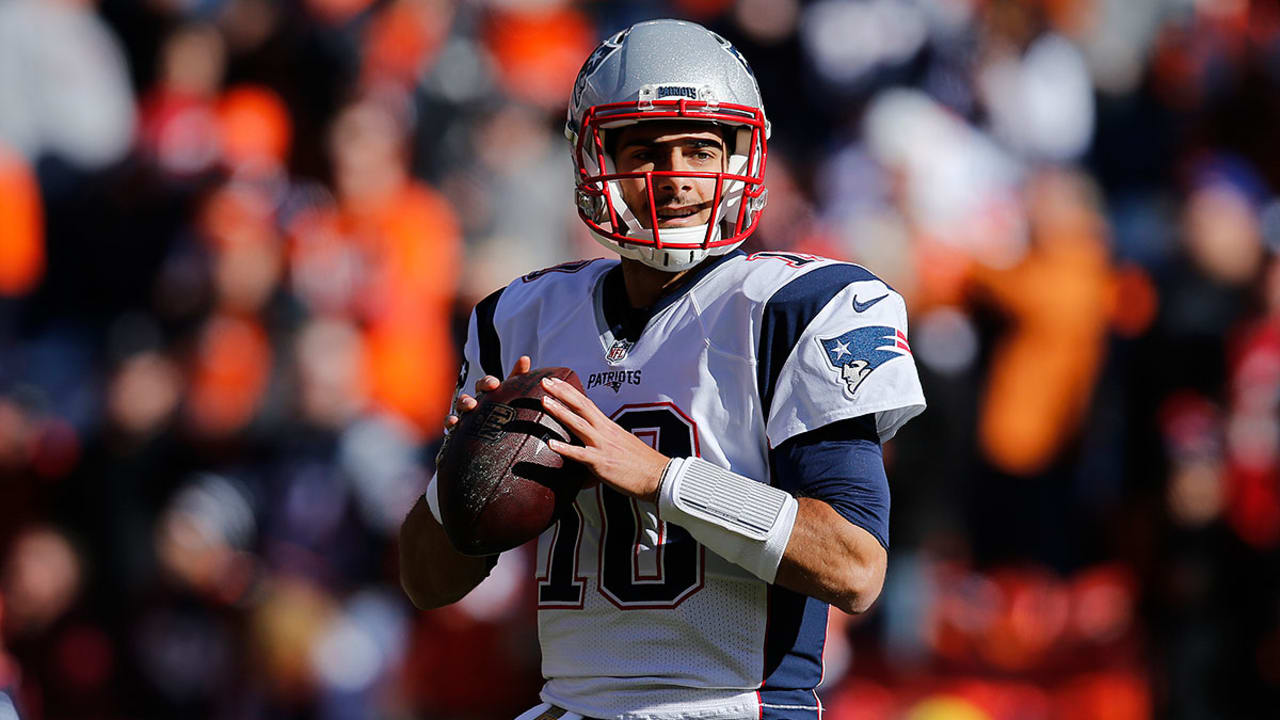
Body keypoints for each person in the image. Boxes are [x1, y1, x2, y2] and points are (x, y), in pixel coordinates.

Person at [400, 19, 925, 720]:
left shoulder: (801, 307)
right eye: (646, 151)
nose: (675, 177)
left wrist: (659, 476)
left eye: (700, 149)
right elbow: (425, 581)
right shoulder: (519, 318)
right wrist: (462, 488)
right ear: (594, 160)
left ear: (744, 154)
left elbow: (856, 568)